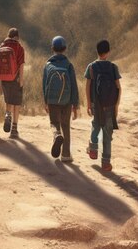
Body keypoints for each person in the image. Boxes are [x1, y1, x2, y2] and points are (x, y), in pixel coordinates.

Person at [85, 39, 122, 172]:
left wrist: (89, 103)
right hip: (110, 106)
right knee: (107, 134)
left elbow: (88, 85)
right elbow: (118, 87)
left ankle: (93, 148)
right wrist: (116, 106)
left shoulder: (91, 66)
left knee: (96, 125)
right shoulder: (113, 67)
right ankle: (106, 163)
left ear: (97, 51)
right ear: (108, 52)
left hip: (96, 103)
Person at [42, 35, 79, 163]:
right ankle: (66, 154)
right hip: (67, 100)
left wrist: (46, 101)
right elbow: (74, 85)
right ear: (65, 49)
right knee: (65, 125)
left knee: (54, 123)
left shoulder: (48, 65)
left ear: (52, 48)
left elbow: (45, 84)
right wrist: (76, 105)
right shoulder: (69, 65)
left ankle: (56, 135)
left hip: (52, 99)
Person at [0, 27, 25, 139]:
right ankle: (14, 129)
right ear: (17, 37)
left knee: (8, 100)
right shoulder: (19, 47)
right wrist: (21, 80)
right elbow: (21, 66)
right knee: (17, 103)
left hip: (4, 78)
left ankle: (7, 115)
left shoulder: (2, 46)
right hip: (16, 78)